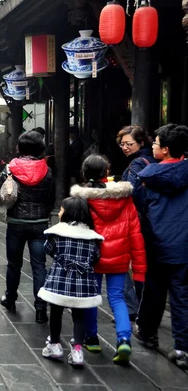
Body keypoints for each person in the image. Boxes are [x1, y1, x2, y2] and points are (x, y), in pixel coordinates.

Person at [70, 154, 146, 365]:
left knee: (92, 297)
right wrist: (139, 267)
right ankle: (123, 339)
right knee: (117, 298)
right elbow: (135, 233)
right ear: (106, 173)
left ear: (85, 173)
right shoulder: (124, 197)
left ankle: (91, 338)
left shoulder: (82, 199)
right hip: (119, 258)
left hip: (91, 257)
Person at [133, 124, 188, 370]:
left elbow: (140, 207)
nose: (152, 146)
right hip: (184, 244)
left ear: (165, 150)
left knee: (154, 292)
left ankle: (147, 332)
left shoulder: (148, 178)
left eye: (155, 143)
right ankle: (183, 348)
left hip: (157, 242)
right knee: (182, 295)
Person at [0, 131, 55, 324]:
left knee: (14, 263)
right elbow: (51, 198)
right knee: (39, 266)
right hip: (39, 224)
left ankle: (10, 298)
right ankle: (40, 308)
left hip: (16, 223)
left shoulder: (10, 168)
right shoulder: (47, 170)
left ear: (19, 147)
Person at [40, 197, 104, 367]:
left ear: (68, 213)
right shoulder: (92, 237)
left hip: (60, 280)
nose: (59, 213)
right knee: (79, 315)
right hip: (83, 283)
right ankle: (77, 351)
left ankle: (55, 345)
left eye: (61, 210)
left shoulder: (58, 232)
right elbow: (96, 257)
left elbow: (48, 249)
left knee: (56, 312)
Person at [117, 125, 156, 322]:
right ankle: (142, 307)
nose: (124, 147)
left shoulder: (137, 164)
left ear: (141, 143)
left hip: (134, 220)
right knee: (142, 265)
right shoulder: (152, 159)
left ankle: (132, 307)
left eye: (129, 144)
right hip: (151, 220)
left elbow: (131, 190)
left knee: (122, 263)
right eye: (122, 144)